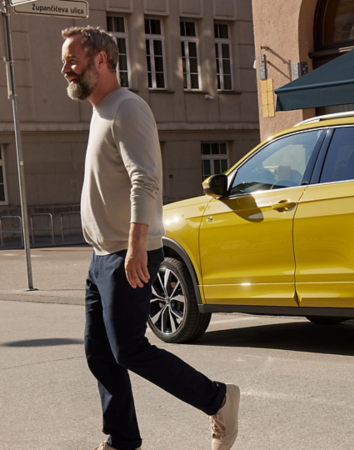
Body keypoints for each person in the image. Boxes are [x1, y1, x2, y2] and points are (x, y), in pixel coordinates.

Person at [61, 26, 240, 450]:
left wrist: (138, 244)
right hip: (103, 254)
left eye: (72, 60)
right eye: (64, 61)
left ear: (100, 60)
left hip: (129, 252)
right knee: (99, 353)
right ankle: (120, 439)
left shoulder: (127, 108)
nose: (65, 69)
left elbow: (146, 178)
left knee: (129, 350)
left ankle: (219, 399)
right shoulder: (100, 109)